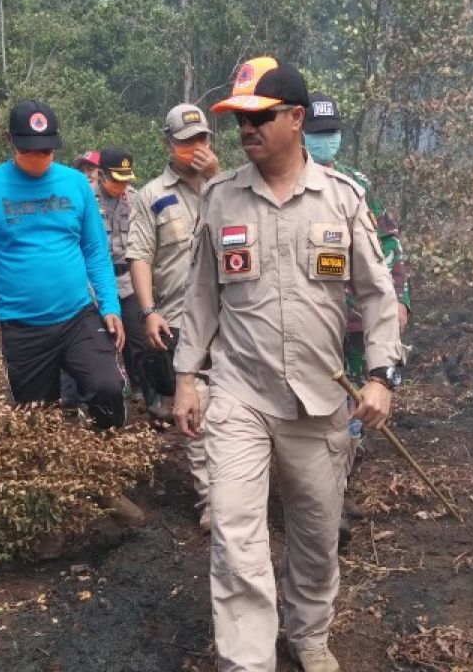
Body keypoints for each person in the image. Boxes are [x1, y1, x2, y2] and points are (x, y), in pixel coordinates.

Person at [173, 57, 406, 672]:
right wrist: (186, 380)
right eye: (240, 121)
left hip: (320, 400)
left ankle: (308, 633)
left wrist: (381, 377)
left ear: (296, 118)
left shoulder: (342, 200)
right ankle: (247, 659)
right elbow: (200, 297)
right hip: (239, 395)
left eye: (260, 117)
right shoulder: (221, 200)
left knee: (315, 534)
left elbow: (379, 296)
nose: (246, 131)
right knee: (235, 532)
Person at [0, 101, 130, 432]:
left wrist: (110, 304)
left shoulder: (75, 185)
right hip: (23, 326)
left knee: (108, 387)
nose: (41, 157)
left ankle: (110, 453)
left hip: (78, 316)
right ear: (10, 140)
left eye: (47, 150)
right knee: (36, 419)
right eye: (31, 150)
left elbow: (95, 250)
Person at [303, 92, 412, 546]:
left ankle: (339, 490)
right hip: (313, 322)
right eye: (317, 134)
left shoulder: (356, 184)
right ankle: (316, 498)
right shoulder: (286, 185)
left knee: (357, 412)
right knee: (316, 411)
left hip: (358, 324)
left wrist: (401, 299)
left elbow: (389, 244)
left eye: (331, 134)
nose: (325, 142)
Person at [126, 103, 221, 530]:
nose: (194, 149)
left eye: (201, 140)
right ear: (168, 145)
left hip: (233, 320)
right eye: (185, 143)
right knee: (194, 406)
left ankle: (239, 490)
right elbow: (141, 256)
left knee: (235, 409)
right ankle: (210, 501)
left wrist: (216, 179)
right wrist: (148, 311)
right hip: (179, 318)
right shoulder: (151, 195)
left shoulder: (231, 185)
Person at [90, 146, 151, 407]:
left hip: (127, 280)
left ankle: (145, 390)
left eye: (126, 179)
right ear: (101, 174)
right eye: (117, 179)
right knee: (101, 339)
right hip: (95, 284)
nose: (122, 185)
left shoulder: (135, 199)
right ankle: (104, 395)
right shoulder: (86, 200)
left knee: (138, 337)